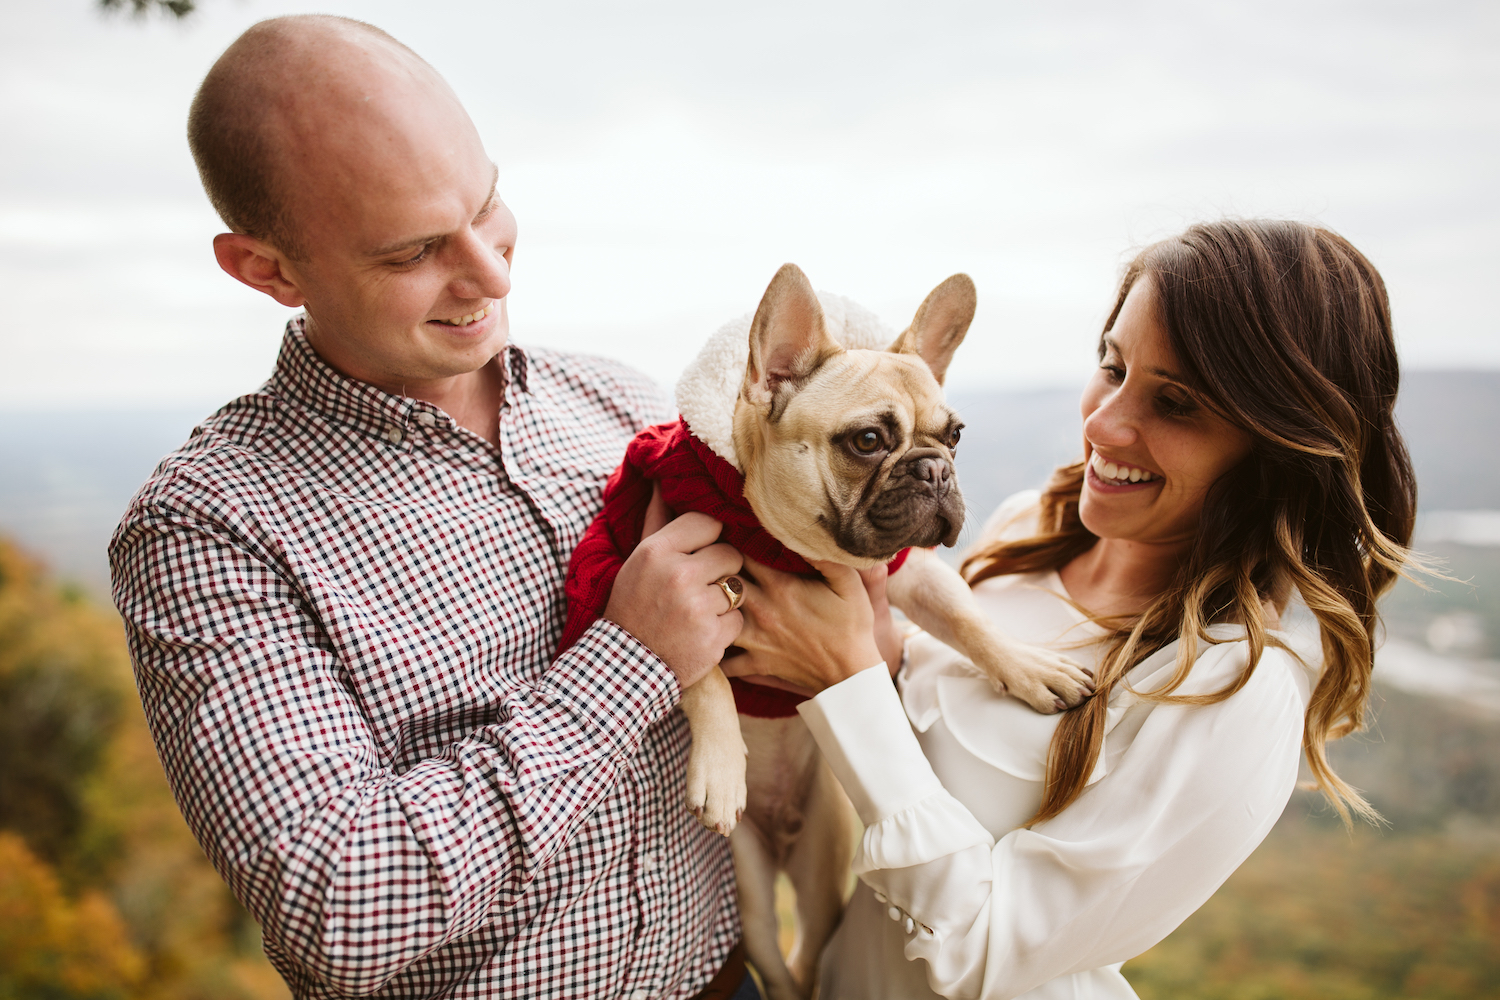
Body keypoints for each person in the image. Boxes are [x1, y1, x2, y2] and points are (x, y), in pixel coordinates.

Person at [108, 14, 826, 999]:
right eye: (412, 253)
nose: (493, 275)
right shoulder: (208, 527)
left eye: (488, 205)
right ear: (266, 270)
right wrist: (627, 663)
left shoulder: (623, 405)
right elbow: (340, 906)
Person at [729, 219, 1415, 998]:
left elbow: (983, 956)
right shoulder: (1028, 530)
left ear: (1276, 442)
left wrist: (845, 676)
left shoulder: (1235, 688)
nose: (1103, 423)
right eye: (1112, 366)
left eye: (1178, 402)